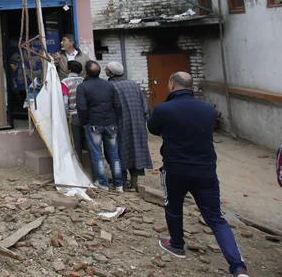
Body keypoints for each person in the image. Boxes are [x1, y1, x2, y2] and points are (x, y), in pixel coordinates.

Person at [148, 72, 248, 277]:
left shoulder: (163, 109)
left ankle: (177, 245)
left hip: (175, 170)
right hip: (205, 171)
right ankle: (238, 268)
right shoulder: (207, 109)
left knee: (173, 208)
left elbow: (153, 128)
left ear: (171, 85)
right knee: (216, 218)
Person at [76, 60, 124, 191]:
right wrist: (116, 120)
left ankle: (103, 184)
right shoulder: (108, 85)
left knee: (97, 155)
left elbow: (81, 108)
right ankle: (119, 184)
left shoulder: (82, 87)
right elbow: (117, 105)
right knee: (114, 155)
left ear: (86, 72)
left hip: (93, 125)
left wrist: (84, 121)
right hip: (111, 124)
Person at [105, 61, 152, 192]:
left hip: (119, 124)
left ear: (111, 73)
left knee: (120, 150)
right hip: (137, 124)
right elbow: (145, 106)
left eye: (107, 69)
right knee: (136, 149)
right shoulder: (133, 84)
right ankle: (134, 181)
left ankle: (122, 181)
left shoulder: (109, 86)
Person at [60, 60, 85, 164]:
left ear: (69, 70)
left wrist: (65, 115)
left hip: (73, 115)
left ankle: (78, 165)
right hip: (86, 115)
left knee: (75, 142)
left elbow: (65, 101)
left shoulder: (65, 82)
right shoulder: (84, 80)